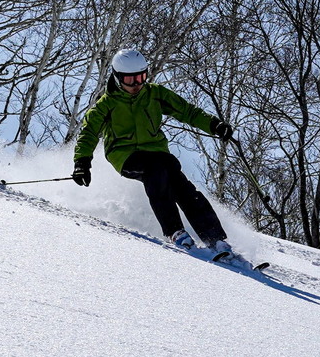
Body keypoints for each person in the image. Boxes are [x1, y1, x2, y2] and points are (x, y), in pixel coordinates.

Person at [72, 48, 236, 255]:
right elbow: (88, 134)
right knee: (155, 171)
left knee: (182, 186)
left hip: (158, 151)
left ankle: (215, 239)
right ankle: (175, 231)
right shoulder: (106, 105)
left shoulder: (155, 94)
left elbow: (187, 111)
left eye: (141, 77)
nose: (136, 84)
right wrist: (82, 163)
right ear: (117, 77)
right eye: (130, 80)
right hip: (125, 155)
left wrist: (214, 125)